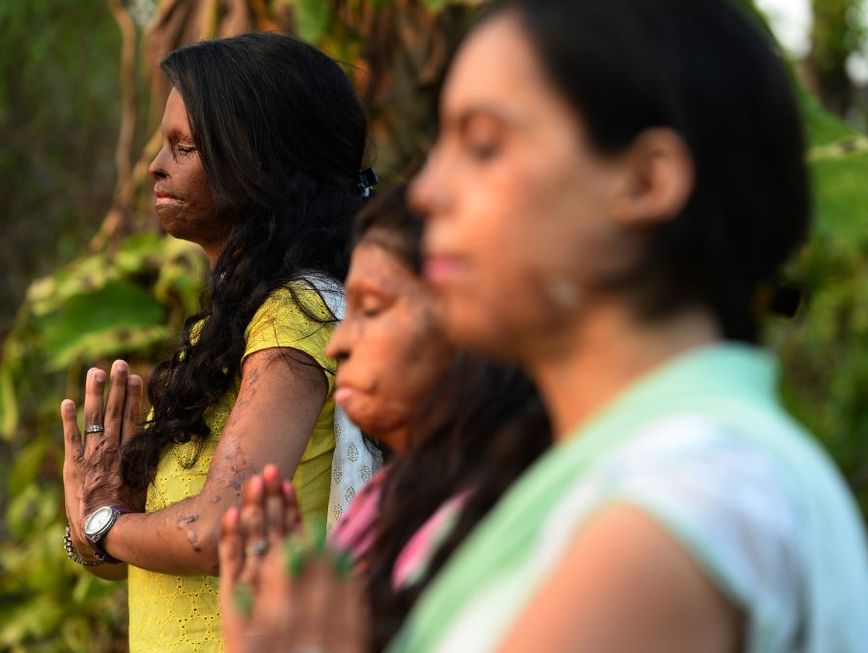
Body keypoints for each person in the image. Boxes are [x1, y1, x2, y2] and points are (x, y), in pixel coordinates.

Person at [229, 2, 868, 652]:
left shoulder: (677, 502)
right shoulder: (618, 472)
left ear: (646, 181)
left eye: (483, 145)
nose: (426, 192)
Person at [58, 32, 373, 652]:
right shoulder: (226, 327)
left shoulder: (295, 317)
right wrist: (93, 520)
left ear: (261, 165)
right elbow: (137, 552)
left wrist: (103, 524)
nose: (156, 166)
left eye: (185, 147)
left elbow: (217, 529)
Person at [217, 185, 548, 652]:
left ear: (471, 321)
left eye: (370, 309)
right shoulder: (384, 499)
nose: (338, 344)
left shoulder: (532, 523)